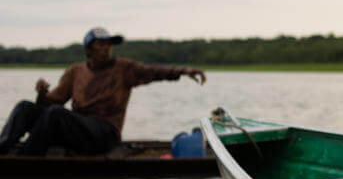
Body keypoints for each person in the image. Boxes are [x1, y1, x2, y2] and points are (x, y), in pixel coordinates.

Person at [0, 27, 207, 156]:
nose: (106, 49)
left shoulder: (124, 69)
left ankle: (27, 157)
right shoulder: (76, 71)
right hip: (77, 131)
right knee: (25, 107)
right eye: (101, 45)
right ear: (88, 50)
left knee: (56, 113)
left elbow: (153, 71)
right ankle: (3, 147)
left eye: (109, 45)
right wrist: (42, 94)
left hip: (104, 134)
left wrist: (183, 71)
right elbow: (52, 103)